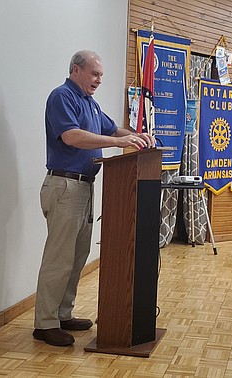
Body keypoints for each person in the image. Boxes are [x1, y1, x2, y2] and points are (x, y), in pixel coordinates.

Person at [33, 50, 155, 347]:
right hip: (65, 186)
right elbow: (72, 136)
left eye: (101, 75)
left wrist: (138, 137)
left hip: (85, 187)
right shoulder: (62, 97)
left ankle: (63, 314)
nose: (99, 80)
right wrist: (118, 142)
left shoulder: (90, 103)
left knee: (77, 256)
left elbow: (113, 130)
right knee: (59, 258)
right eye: (94, 74)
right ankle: (45, 323)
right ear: (76, 70)